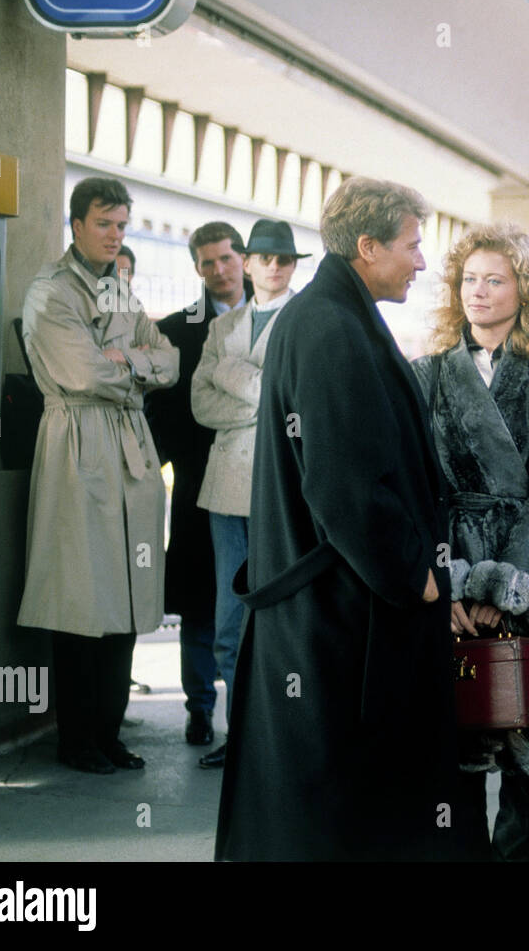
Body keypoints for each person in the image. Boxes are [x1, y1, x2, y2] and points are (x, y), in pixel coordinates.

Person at [214, 178, 456, 860]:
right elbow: (345, 486)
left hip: (324, 610)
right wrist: (417, 573)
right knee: (333, 798)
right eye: (411, 246)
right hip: (338, 618)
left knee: (315, 794)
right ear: (367, 245)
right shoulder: (330, 328)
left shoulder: (330, 314)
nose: (420, 261)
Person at [411, 222, 529, 861]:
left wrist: (507, 588)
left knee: (526, 731)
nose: (478, 293)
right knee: (452, 737)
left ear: (525, 289)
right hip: (449, 563)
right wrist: (451, 581)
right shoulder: (426, 373)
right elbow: (417, 487)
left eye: (495, 280)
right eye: (468, 280)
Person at [17, 177, 178, 774]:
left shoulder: (119, 291)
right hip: (79, 444)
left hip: (128, 447)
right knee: (85, 594)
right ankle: (77, 739)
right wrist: (135, 367)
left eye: (121, 225)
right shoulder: (51, 293)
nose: (114, 236)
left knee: (130, 597)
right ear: (77, 225)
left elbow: (169, 359)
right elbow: (83, 375)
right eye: (104, 223)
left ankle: (107, 735)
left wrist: (129, 360)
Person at [191, 219, 308, 770]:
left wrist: (234, 377)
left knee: (284, 618)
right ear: (249, 261)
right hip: (225, 492)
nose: (276, 267)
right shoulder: (224, 328)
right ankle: (239, 739)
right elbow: (199, 407)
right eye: (266, 258)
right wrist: (257, 400)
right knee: (229, 622)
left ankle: (279, 738)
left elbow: (289, 401)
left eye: (285, 259)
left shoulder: (307, 320)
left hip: (281, 491)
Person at [146, 222, 251, 749]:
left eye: (226, 259)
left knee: (247, 598)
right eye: (207, 263)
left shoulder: (279, 319)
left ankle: (245, 719)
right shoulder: (176, 331)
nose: (218, 271)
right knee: (197, 600)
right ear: (196, 268)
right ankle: (198, 707)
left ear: (244, 259)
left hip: (256, 486)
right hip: (196, 481)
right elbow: (164, 413)